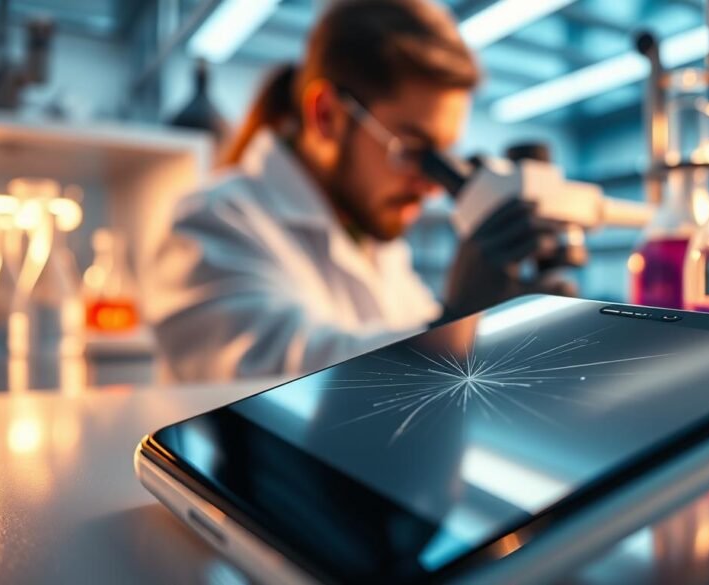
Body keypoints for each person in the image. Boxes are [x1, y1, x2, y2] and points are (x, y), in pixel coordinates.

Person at [146, 0, 566, 382]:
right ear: (327, 115)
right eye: (413, 150)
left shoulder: (377, 245)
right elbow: (276, 381)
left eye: (442, 158)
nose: (432, 187)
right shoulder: (210, 222)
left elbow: (420, 345)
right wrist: (454, 325)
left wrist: (506, 324)